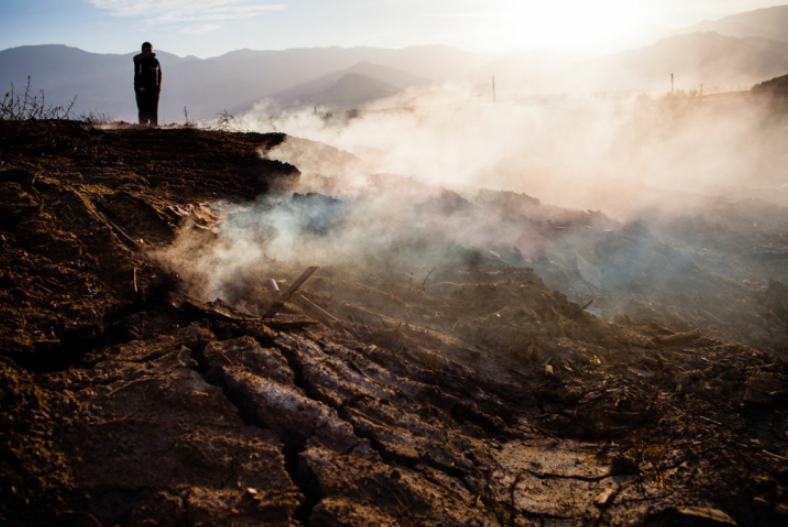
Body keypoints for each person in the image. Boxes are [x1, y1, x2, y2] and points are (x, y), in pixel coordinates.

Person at [133, 42, 162, 126]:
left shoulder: (155, 61)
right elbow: (135, 59)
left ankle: (154, 125)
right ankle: (143, 126)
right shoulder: (139, 60)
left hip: (154, 88)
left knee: (153, 108)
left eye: (149, 50)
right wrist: (146, 55)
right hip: (141, 88)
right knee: (143, 108)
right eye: (146, 50)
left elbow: (160, 74)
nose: (148, 52)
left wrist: (159, 86)